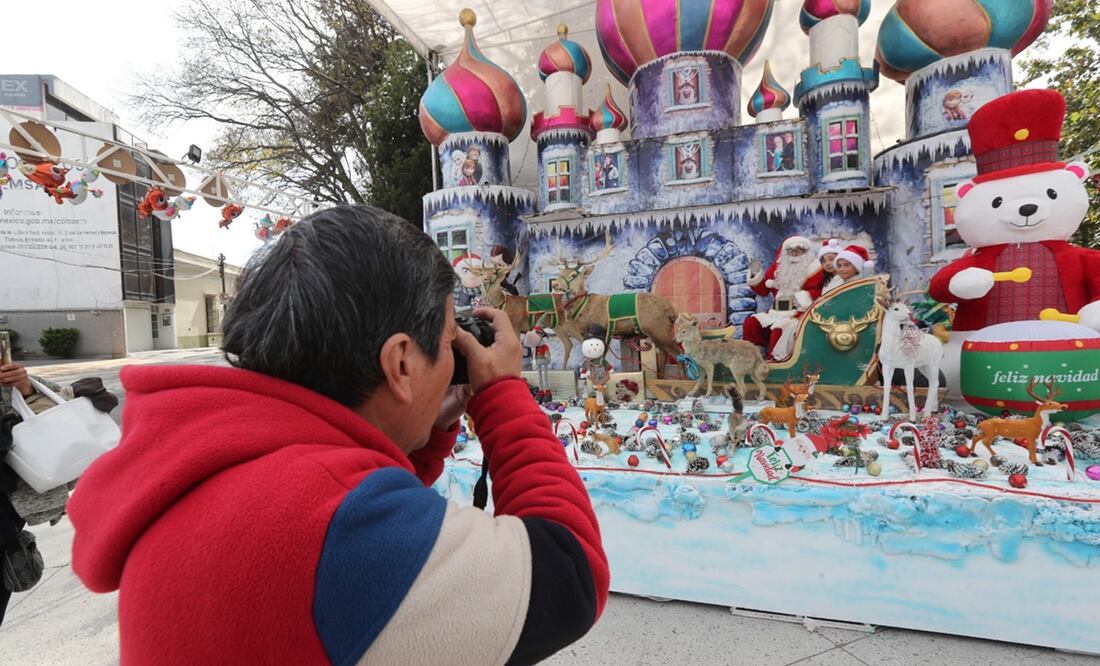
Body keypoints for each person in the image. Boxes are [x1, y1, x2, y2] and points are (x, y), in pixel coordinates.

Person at [68, 206, 609, 665]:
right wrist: (502, 395)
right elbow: (569, 576)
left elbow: (357, 502)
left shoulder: (201, 458)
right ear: (400, 362)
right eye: (448, 343)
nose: (456, 359)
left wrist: (426, 428)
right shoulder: (337, 526)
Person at [743, 236, 826, 359]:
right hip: (775, 312)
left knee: (780, 330)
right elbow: (763, 290)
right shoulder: (779, 267)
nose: (795, 252)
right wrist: (755, 272)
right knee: (752, 323)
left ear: (806, 251)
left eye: (799, 249)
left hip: (800, 313)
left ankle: (777, 364)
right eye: (791, 249)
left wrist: (801, 299)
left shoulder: (815, 268)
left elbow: (817, 292)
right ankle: (754, 358)